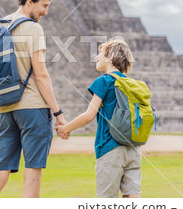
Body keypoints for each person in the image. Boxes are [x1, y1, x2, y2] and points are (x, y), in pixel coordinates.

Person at [0, 0, 68, 198]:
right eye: (44, 5)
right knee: (33, 172)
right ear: (30, 2)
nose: (46, 12)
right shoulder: (33, 28)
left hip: (5, 107)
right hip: (32, 108)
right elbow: (41, 75)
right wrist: (58, 113)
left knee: (0, 171)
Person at [55, 37, 142, 198]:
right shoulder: (132, 84)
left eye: (100, 54)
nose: (96, 57)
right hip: (133, 149)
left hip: (110, 148)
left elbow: (89, 115)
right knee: (133, 196)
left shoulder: (104, 81)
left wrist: (65, 128)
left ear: (109, 58)